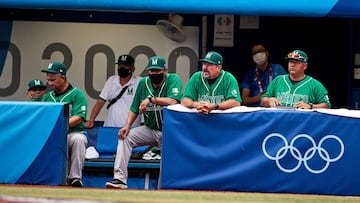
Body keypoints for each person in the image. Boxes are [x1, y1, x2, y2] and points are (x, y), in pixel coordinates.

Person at [105, 55, 182, 189]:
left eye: (157, 71)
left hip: (168, 132)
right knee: (125, 137)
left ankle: (162, 188)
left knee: (167, 162)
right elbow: (135, 107)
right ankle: (119, 179)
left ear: (165, 71)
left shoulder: (173, 79)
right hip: (150, 129)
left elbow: (173, 101)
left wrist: (151, 99)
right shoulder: (143, 83)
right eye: (151, 71)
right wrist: (127, 126)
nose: (154, 74)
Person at [41, 61, 88, 187]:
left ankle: (75, 178)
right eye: (48, 80)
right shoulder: (47, 97)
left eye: (53, 80)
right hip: (52, 135)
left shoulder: (77, 94)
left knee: (79, 139)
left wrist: (57, 127)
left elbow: (78, 118)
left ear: (63, 77)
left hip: (72, 133)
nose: (49, 83)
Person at [260, 50, 331, 109]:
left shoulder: (314, 84)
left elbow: (327, 105)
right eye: (291, 61)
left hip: (302, 123)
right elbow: (263, 99)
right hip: (279, 122)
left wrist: (311, 106)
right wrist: (268, 100)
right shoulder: (278, 80)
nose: (292, 65)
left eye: (296, 62)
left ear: (305, 66)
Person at [85, 54, 141, 128]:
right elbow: (100, 102)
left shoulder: (139, 82)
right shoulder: (111, 80)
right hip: (110, 127)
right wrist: (91, 120)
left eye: (125, 65)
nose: (122, 67)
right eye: (120, 65)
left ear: (133, 69)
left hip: (131, 129)